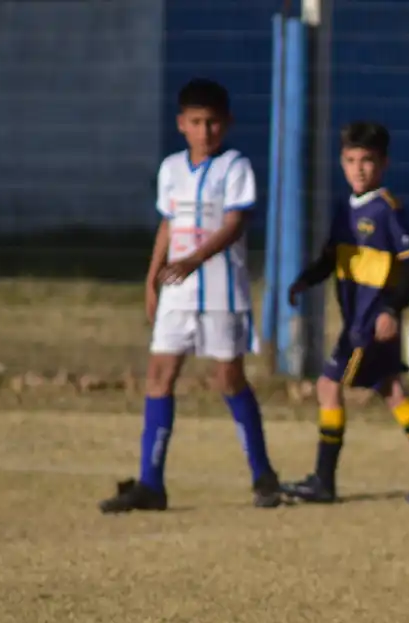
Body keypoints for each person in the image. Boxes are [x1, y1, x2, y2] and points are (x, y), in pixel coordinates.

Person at [100, 78, 280, 513]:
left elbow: (236, 223)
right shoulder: (171, 169)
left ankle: (263, 475)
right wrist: (151, 278)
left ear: (228, 123)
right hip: (178, 293)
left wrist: (196, 259)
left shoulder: (235, 167)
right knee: (160, 374)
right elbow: (168, 224)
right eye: (196, 122)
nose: (205, 131)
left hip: (220, 291)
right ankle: (150, 483)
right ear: (181, 124)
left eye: (213, 122)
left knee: (228, 378)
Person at [282, 122, 409, 504]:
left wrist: (391, 310)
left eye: (367, 161)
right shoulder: (344, 210)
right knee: (391, 390)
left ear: (383, 164)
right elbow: (331, 258)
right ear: (341, 162)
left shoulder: (388, 210)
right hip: (358, 321)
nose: (358, 169)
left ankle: (324, 481)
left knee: (329, 386)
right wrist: (305, 280)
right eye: (350, 160)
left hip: (369, 323)